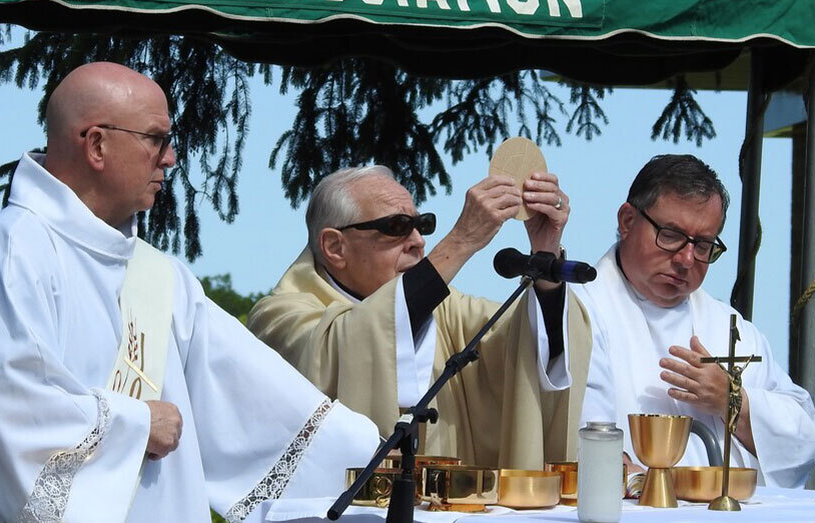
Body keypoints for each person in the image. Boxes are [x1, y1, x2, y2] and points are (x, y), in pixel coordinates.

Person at [0, 62, 380, 523]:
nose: (170, 158)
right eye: (156, 139)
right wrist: (139, 425)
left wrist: (372, 457)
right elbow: (7, 415)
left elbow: (252, 391)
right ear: (97, 144)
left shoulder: (158, 275)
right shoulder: (11, 250)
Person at [247, 165, 591, 470]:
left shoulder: (447, 310)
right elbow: (348, 342)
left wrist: (545, 255)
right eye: (397, 226)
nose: (418, 241)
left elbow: (522, 343)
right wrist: (461, 241)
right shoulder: (279, 317)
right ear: (335, 247)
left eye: (421, 224)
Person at [572, 154, 815, 488]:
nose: (687, 259)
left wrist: (732, 400)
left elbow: (806, 440)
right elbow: (569, 434)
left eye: (703, 245)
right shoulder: (577, 312)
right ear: (628, 221)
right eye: (671, 235)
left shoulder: (728, 327)